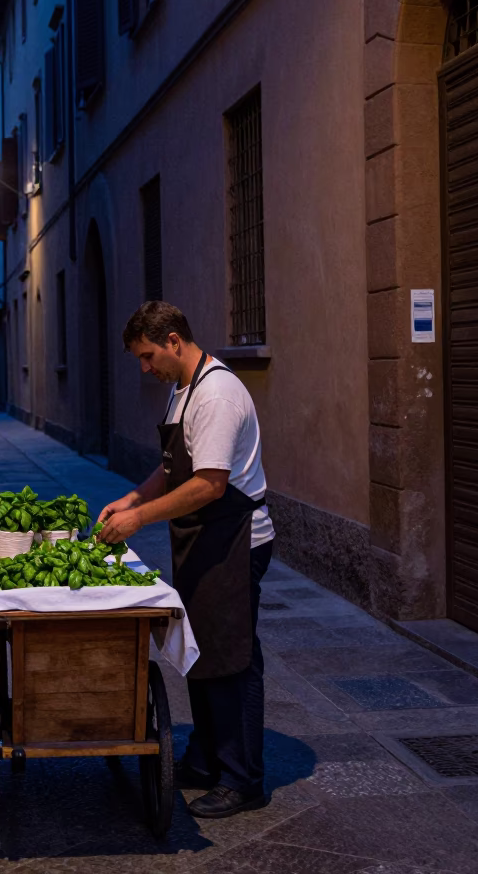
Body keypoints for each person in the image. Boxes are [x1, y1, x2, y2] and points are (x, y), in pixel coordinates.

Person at [97, 301, 275, 820]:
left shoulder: (216, 395)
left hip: (235, 539)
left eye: (149, 356)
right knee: (202, 653)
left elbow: (209, 484)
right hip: (204, 538)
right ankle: (208, 758)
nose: (146, 368)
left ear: (174, 340)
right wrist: (133, 498)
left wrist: (140, 520)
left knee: (234, 660)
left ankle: (242, 779)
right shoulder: (184, 388)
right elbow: (175, 468)